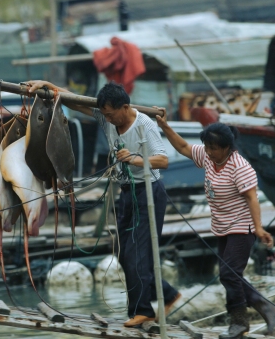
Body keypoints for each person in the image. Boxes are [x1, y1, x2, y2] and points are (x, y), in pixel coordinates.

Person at [27, 81, 181, 327]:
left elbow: (163, 160)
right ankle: (168, 294)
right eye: (105, 115)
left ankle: (143, 311)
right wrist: (48, 86)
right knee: (122, 254)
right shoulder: (107, 118)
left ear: (125, 107)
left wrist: (134, 158)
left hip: (149, 192)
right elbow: (74, 99)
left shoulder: (144, 124)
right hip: (126, 192)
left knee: (138, 254)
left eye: (111, 114)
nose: (108, 119)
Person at [155, 116, 275, 339]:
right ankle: (265, 306)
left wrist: (259, 229)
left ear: (227, 147)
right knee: (229, 275)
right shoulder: (209, 158)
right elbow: (183, 146)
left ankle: (239, 322)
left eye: (213, 148)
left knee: (229, 274)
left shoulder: (239, 166)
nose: (209, 152)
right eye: (207, 147)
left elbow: (252, 198)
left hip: (242, 227)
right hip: (223, 227)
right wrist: (165, 126)